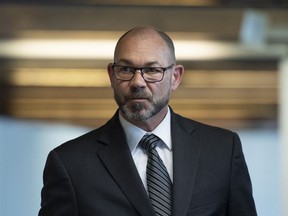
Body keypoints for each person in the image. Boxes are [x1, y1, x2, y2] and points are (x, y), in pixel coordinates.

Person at [39, 26, 257, 216]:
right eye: (126, 69)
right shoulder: (70, 164)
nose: (137, 82)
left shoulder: (222, 150)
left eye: (152, 70)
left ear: (175, 77)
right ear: (111, 76)